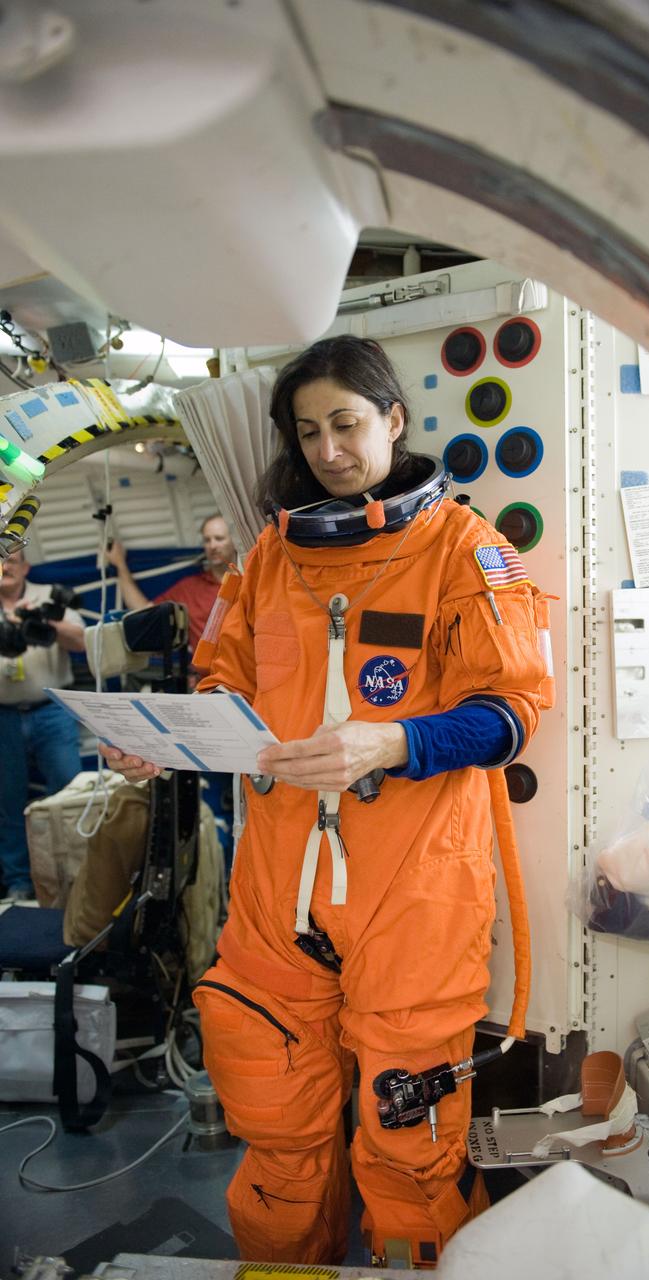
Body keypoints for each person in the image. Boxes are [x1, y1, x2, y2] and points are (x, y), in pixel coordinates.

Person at [101, 335, 553, 1267]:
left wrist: (393, 739)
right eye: (308, 432)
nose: (329, 450)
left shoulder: (466, 551)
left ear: (391, 418)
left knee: (410, 1152)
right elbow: (217, 683)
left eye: (346, 424)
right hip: (276, 895)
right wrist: (162, 743)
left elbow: (513, 712)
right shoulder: (268, 559)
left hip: (412, 896)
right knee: (277, 1143)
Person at [0, 549, 86, 900]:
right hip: (3, 716)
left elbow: (82, 640)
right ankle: (20, 882)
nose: (5, 565)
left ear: (25, 566)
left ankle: (80, 877)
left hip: (52, 709)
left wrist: (43, 623)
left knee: (69, 795)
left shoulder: (49, 597)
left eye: (12, 558)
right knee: (8, 804)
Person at [106, 513, 236, 653]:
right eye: (207, 540)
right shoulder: (190, 588)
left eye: (219, 538)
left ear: (235, 540)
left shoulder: (251, 580)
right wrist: (120, 565)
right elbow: (144, 611)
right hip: (212, 673)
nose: (212, 545)